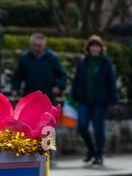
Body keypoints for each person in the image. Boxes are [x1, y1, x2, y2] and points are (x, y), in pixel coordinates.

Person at [70, 35, 117, 166]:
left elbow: (111, 83)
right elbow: (76, 80)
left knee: (98, 128)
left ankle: (99, 154)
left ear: (101, 48)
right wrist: (73, 96)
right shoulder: (83, 62)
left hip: (100, 102)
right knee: (82, 126)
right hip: (84, 100)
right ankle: (91, 149)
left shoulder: (106, 63)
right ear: (88, 48)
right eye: (92, 46)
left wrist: (113, 100)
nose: (95, 49)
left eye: (97, 46)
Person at [11, 32, 67, 101]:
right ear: (31, 45)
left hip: (48, 97)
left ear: (44, 45)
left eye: (39, 45)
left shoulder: (52, 58)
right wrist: (15, 88)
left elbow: (62, 75)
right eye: (34, 45)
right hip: (30, 96)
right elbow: (18, 76)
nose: (36, 48)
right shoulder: (25, 58)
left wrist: (59, 87)